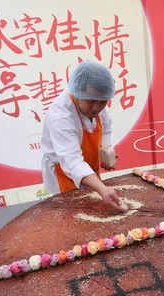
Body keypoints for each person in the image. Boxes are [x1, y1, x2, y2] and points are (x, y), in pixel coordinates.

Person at [41, 61, 126, 212]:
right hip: (64, 175)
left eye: (103, 102)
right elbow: (72, 161)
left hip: (89, 173)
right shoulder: (61, 116)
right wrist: (101, 188)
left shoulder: (98, 107)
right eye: (91, 102)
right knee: (72, 215)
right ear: (77, 93)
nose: (97, 108)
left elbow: (106, 128)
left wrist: (105, 150)